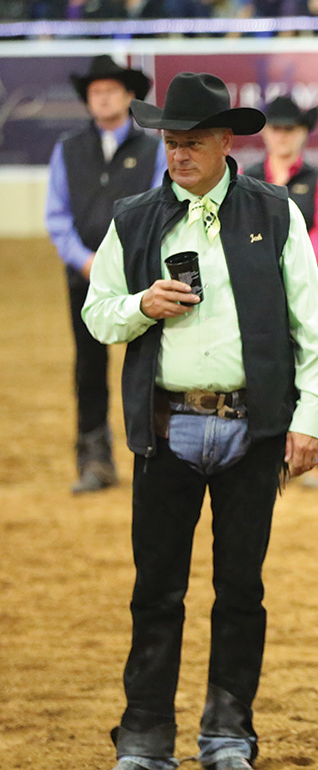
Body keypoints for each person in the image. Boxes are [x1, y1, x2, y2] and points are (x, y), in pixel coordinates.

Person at [82, 71, 318, 770]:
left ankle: (228, 734)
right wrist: (142, 306)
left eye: (192, 142)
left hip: (253, 432)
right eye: (170, 141)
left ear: (226, 141)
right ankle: (144, 739)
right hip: (165, 431)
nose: (178, 154)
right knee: (156, 592)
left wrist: (312, 413)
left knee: (241, 592)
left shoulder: (274, 212)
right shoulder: (134, 217)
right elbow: (97, 312)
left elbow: (310, 325)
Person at [45, 55, 165, 494]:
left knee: (149, 364)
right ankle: (94, 457)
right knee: (89, 366)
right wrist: (84, 260)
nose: (103, 97)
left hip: (139, 277)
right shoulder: (68, 148)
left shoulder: (155, 150)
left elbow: (158, 211)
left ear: (130, 96)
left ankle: (154, 454)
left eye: (111, 89)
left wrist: (120, 262)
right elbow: (56, 216)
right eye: (96, 91)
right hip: (85, 277)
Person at [244, 94, 318, 487]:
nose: (283, 136)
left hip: (310, 292)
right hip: (262, 293)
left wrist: (291, 274)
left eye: (290, 129)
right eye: (276, 128)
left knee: (314, 367)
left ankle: (313, 453)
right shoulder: (248, 178)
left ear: (302, 133)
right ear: (266, 133)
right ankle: (270, 453)